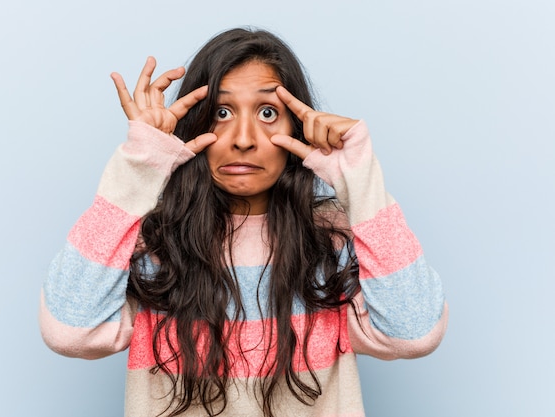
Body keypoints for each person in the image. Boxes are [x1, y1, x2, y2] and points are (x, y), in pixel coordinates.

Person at [39, 27, 448, 417]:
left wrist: (359, 181)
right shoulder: (152, 242)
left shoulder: (333, 238)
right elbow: (70, 332)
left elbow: (413, 334)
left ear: (297, 126)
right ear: (194, 124)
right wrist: (140, 167)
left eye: (268, 112)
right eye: (221, 111)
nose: (243, 138)